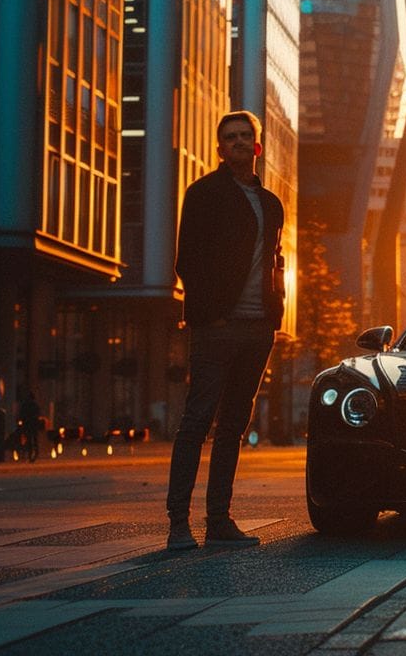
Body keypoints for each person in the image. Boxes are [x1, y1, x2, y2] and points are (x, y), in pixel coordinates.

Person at [165, 110, 285, 550]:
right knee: (197, 421)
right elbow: (187, 262)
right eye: (229, 137)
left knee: (233, 425)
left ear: (256, 146)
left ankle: (219, 521)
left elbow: (276, 261)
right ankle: (179, 524)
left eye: (244, 136)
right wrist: (208, 316)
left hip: (258, 329)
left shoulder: (271, 203)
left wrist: (276, 315)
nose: (237, 142)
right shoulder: (203, 194)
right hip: (217, 328)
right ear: (220, 148)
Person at [17, 386, 42, 462]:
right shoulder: (35, 405)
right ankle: (36, 452)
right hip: (33, 424)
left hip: (27, 424)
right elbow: (38, 414)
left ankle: (30, 454)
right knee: (34, 439)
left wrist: (21, 422)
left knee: (29, 440)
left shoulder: (24, 405)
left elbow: (21, 414)